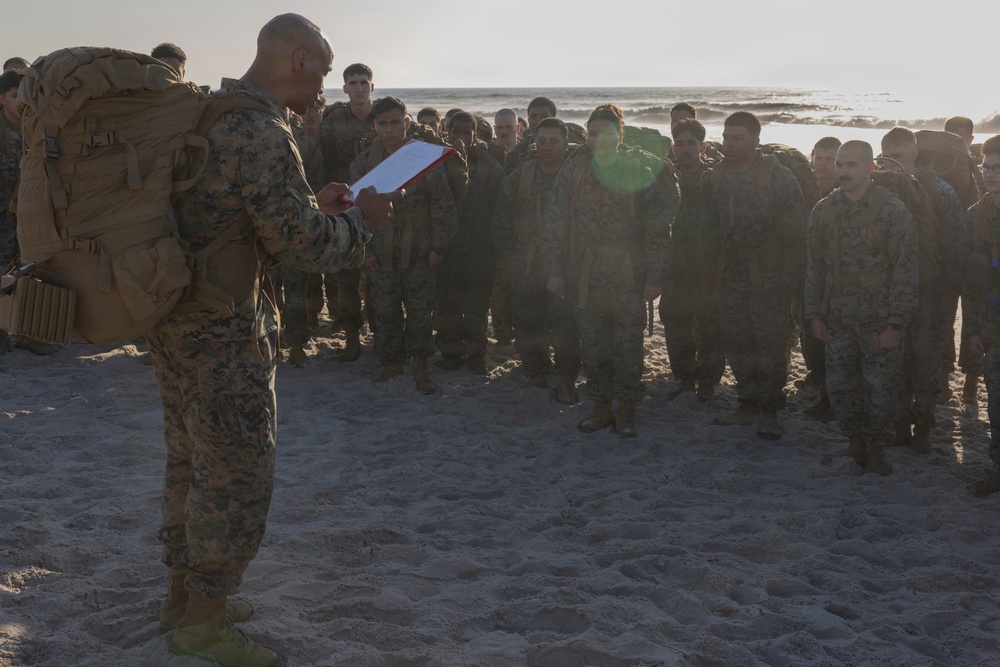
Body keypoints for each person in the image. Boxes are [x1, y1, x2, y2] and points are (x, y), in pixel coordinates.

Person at [146, 15, 399, 666]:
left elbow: (231, 217)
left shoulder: (209, 114)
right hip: (226, 334)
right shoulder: (260, 129)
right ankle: (202, 624)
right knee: (236, 477)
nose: (326, 91)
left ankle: (182, 597)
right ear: (297, 59)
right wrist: (363, 227)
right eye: (322, 70)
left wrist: (315, 203)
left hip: (177, 321)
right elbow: (299, 246)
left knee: (189, 460)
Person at [543, 104, 671, 438]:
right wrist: (554, 270)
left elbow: (658, 229)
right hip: (585, 274)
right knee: (594, 346)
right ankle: (600, 406)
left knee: (628, 347)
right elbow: (556, 221)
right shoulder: (575, 170)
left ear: (620, 135)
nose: (598, 139)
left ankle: (626, 409)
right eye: (592, 132)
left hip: (628, 276)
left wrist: (656, 277)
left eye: (606, 133)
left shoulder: (637, 171)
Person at [805, 140, 918, 475]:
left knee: (881, 389)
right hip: (838, 316)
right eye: (840, 165)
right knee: (841, 386)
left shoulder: (893, 211)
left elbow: (906, 271)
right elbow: (814, 267)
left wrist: (896, 324)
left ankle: (878, 448)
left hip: (879, 317)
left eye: (851, 165)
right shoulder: (823, 211)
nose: (842, 171)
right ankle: (855, 440)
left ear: (870, 168)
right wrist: (814, 314)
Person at [704, 111, 806, 440]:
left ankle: (770, 410)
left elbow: (795, 234)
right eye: (726, 137)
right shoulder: (716, 176)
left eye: (737, 139)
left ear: (755, 142)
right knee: (737, 341)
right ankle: (747, 404)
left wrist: (791, 281)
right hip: (730, 274)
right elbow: (709, 230)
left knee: (771, 345)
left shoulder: (778, 177)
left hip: (770, 276)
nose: (729, 144)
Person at [351, 96, 458, 393]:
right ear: (375, 126)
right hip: (381, 249)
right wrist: (366, 251)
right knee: (384, 310)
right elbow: (356, 212)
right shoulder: (363, 163)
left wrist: (438, 247)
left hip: (420, 249)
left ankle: (421, 366)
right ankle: (391, 364)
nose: (389, 130)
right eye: (383, 124)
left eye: (395, 123)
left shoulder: (420, 160)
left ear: (407, 123)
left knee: (420, 310)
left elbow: (442, 206)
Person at [880, 126, 967, 452]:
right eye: (888, 158)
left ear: (915, 153)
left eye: (900, 156)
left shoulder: (939, 190)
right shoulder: (879, 192)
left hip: (932, 296)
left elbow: (957, 246)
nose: (894, 164)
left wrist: (949, 298)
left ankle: (924, 428)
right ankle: (900, 425)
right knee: (895, 364)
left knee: (927, 366)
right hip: (892, 296)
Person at [492, 117, 581, 400]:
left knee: (565, 325)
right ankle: (537, 373)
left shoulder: (576, 175)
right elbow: (501, 218)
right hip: (527, 262)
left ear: (566, 144)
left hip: (567, 264)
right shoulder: (522, 176)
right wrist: (509, 257)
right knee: (528, 323)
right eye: (541, 141)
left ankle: (566, 376)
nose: (546, 147)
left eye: (554, 141)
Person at [434, 111, 504, 374]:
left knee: (476, 307)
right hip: (448, 248)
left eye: (467, 132)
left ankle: (477, 354)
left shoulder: (489, 167)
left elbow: (499, 210)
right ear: (447, 132)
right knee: (449, 305)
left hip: (479, 249)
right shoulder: (437, 163)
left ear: (476, 136)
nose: (461, 137)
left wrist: (495, 248)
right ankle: (452, 353)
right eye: (456, 132)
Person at [317, 63, 378, 361]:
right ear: (344, 88)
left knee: (381, 273)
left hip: (378, 203)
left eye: (363, 82)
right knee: (347, 275)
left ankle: (382, 334)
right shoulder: (333, 123)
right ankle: (352, 338)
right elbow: (321, 164)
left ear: (372, 86)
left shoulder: (384, 119)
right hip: (344, 207)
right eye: (352, 82)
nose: (358, 87)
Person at [660, 118, 724, 402]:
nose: (685, 150)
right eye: (680, 144)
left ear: (703, 146)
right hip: (675, 267)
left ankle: (708, 383)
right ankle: (686, 379)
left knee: (710, 327)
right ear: (673, 148)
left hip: (707, 268)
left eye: (692, 144)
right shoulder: (665, 179)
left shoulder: (713, 180)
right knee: (675, 324)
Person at [796, 135, 843, 421]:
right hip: (807, 273)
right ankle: (817, 377)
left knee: (831, 338)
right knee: (807, 329)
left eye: (830, 159)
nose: (823, 164)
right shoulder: (803, 189)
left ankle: (829, 397)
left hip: (837, 280)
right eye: (819, 157)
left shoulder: (846, 191)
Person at [965, 135, 1000, 495]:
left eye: (998, 168)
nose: (990, 174)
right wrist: (972, 329)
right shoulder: (977, 216)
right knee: (997, 398)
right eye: (987, 167)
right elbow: (973, 283)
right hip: (994, 322)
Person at [944, 115, 985, 406]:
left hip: (973, 258)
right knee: (945, 317)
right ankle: (946, 377)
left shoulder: (982, 171)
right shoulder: (940, 170)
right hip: (950, 255)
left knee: (972, 318)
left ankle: (969, 380)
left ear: (971, 141)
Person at [0, 69, 20, 355]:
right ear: (2, 99)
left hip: (31, 214)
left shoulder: (40, 127)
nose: (22, 101)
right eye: (16, 96)